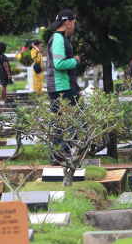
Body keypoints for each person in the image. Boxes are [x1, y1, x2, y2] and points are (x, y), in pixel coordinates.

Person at [44, 9, 82, 164]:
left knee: (58, 122)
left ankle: (56, 157)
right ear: (67, 22)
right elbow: (59, 64)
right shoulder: (59, 39)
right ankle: (64, 150)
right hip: (62, 87)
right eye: (74, 22)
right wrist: (76, 60)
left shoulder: (59, 38)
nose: (74, 26)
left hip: (58, 86)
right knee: (80, 117)